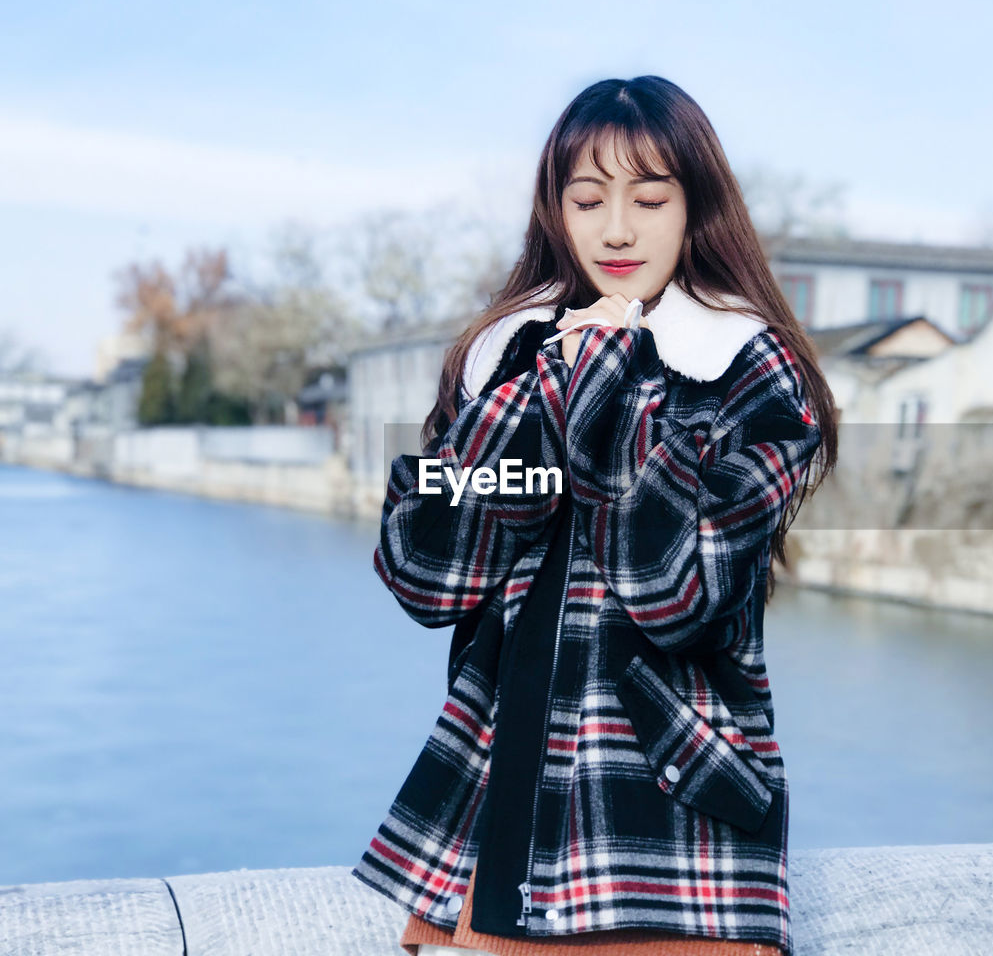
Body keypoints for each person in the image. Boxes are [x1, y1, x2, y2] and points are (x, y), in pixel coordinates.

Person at [352, 75, 837, 956]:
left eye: (650, 198)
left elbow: (677, 590)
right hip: (495, 799)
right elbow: (425, 565)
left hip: (670, 820)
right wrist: (537, 385)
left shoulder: (750, 370)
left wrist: (612, 383)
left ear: (696, 207)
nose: (617, 228)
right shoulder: (507, 353)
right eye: (588, 199)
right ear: (556, 211)